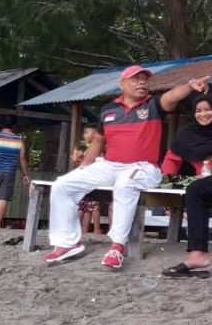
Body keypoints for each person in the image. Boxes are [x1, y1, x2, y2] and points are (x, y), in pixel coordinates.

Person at [45, 68, 208, 268]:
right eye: (136, 79)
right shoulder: (108, 109)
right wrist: (82, 170)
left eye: (145, 80)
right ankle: (67, 243)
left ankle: (117, 246)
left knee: (125, 183)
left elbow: (172, 95)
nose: (142, 83)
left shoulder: (153, 104)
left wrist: (190, 85)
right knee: (62, 185)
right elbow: (98, 142)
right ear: (122, 84)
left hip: (143, 168)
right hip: (110, 165)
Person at [162, 95, 212, 277]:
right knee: (197, 191)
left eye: (208, 109)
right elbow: (171, 160)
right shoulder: (187, 134)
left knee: (196, 190)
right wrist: (167, 192)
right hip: (205, 182)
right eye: (198, 111)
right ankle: (198, 254)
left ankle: (198, 254)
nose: (203, 114)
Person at [71, 126, 104, 236]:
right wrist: (78, 159)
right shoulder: (89, 147)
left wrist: (80, 158)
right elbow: (83, 163)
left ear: (95, 134)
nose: (84, 135)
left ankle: (97, 229)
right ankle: (83, 230)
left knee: (94, 204)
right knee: (85, 206)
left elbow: (93, 162)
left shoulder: (98, 145)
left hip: (94, 177)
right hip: (85, 177)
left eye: (87, 132)